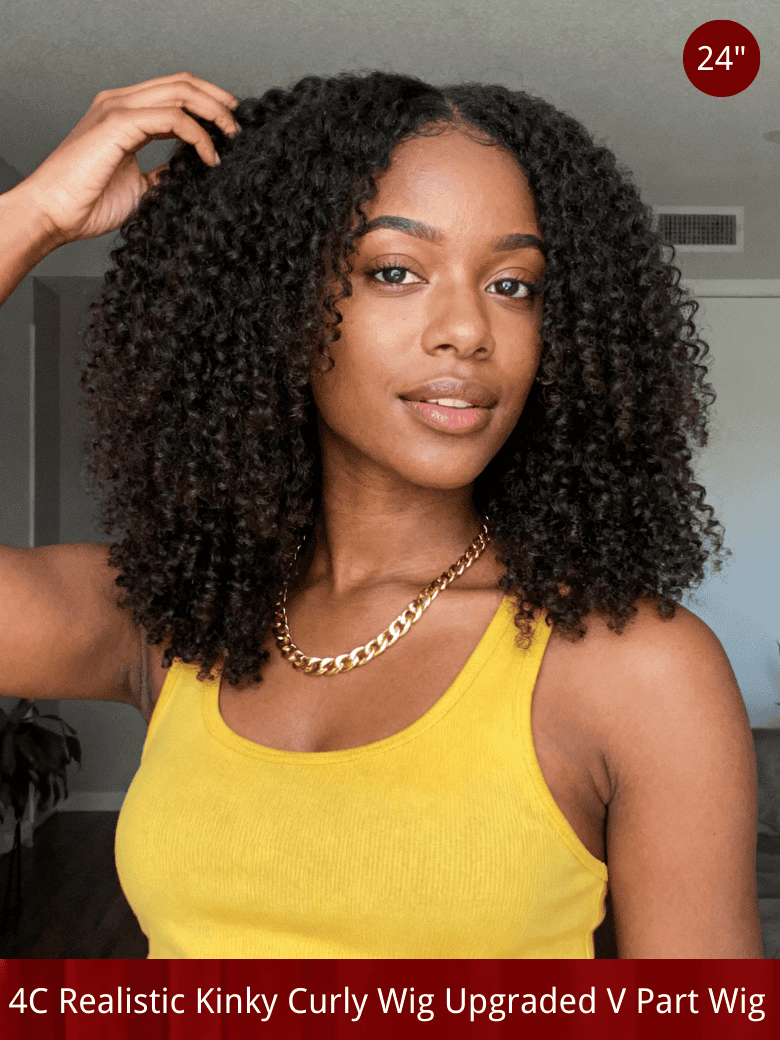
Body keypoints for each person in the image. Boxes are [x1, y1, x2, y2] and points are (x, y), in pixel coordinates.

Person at [0, 70, 762, 959]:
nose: (467, 330)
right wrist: (31, 216)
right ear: (275, 305)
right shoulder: (175, 616)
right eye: (395, 271)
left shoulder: (636, 669)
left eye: (513, 285)